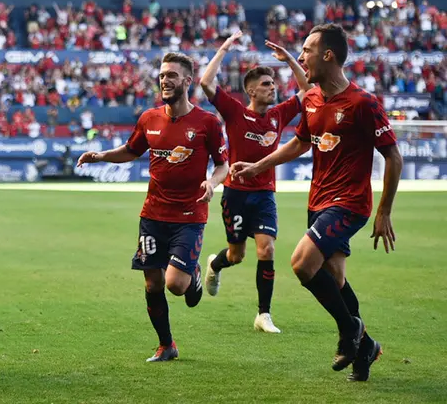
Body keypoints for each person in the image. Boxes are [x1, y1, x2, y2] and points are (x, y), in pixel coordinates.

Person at [231, 23, 402, 381]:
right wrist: (257, 166)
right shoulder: (310, 100)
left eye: (307, 50)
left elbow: (393, 157)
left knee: (301, 263)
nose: (301, 56)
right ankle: (366, 348)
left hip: (350, 202)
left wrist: (384, 210)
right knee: (334, 278)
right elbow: (299, 144)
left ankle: (348, 331)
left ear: (328, 55)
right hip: (319, 200)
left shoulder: (363, 103)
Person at [78, 52, 229, 362]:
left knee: (175, 285)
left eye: (172, 75)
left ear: (187, 81)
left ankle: (193, 273)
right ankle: (166, 345)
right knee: (152, 282)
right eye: (162, 75)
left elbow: (223, 165)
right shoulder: (149, 118)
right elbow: (131, 150)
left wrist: (212, 183)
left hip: (189, 215)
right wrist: (101, 156)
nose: (165, 80)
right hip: (153, 214)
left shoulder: (207, 122)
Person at [199, 31, 311, 333]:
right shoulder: (235, 112)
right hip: (235, 194)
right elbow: (206, 83)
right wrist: (223, 48)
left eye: (273, 84)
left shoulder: (278, 115)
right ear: (250, 90)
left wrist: (288, 58)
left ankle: (263, 314)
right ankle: (215, 264)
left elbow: (308, 89)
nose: (272, 88)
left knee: (267, 250)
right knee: (236, 255)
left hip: (264, 194)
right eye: (265, 84)